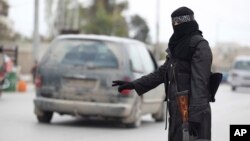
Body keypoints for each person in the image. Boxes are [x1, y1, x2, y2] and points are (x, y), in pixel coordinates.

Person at [113, 7, 212, 141]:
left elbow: (200, 84)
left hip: (193, 115)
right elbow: (161, 74)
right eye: (173, 24)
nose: (176, 27)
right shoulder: (175, 47)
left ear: (188, 23)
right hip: (177, 113)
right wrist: (133, 84)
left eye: (179, 24)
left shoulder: (200, 46)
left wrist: (195, 117)